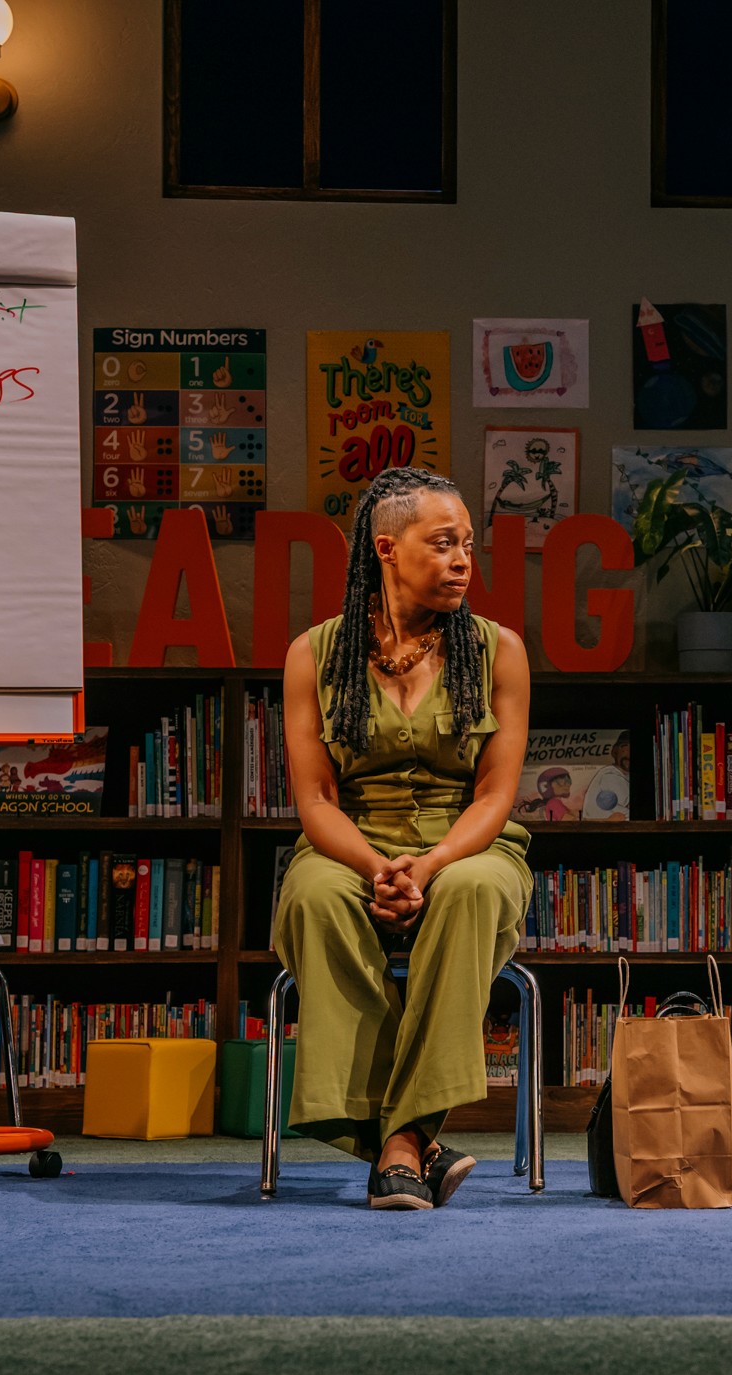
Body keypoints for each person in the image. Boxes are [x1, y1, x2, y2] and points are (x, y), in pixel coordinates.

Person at [271, 467, 534, 1211]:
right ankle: (412, 1143)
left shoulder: (499, 651)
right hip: (349, 843)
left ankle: (401, 1139)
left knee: (470, 889)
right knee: (315, 898)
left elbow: (494, 795)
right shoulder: (314, 655)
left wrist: (433, 861)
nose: (462, 561)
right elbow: (317, 799)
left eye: (468, 546)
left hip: (468, 843)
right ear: (387, 548)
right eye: (443, 543)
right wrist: (375, 865)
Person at [582, 732, 632, 821]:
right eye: (625, 748)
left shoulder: (625, 776)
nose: (628, 754)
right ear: (615, 752)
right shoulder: (610, 775)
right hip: (600, 826)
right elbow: (623, 810)